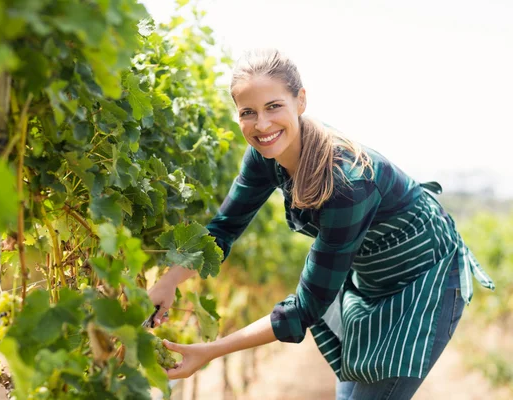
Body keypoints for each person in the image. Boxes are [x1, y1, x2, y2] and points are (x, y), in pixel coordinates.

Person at [147, 48, 494, 399]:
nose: (262, 125)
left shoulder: (347, 183)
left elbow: (305, 309)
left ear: (300, 101)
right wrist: (169, 281)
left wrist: (208, 351)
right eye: (247, 112)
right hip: (368, 279)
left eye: (274, 106)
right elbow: (223, 229)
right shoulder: (264, 156)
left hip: (423, 282)